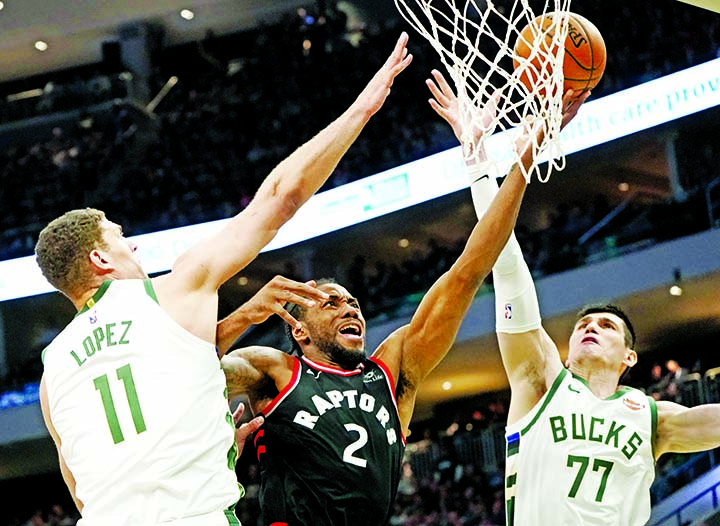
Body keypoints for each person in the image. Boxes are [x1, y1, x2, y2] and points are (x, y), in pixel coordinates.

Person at [35, 33, 413, 526]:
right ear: (100, 260)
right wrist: (361, 110)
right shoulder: (173, 291)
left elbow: (83, 492)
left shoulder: (52, 371)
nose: (135, 246)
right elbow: (281, 196)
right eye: (121, 237)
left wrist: (205, 453)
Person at [217, 81, 587, 526]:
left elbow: (468, 271)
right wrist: (247, 313)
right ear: (298, 330)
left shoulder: (392, 370)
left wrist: (519, 161)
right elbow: (185, 360)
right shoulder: (274, 370)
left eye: (352, 302)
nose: (349, 308)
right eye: (330, 303)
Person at [429, 70, 720, 525]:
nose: (590, 326)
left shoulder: (651, 417)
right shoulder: (541, 380)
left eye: (606, 327)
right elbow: (505, 265)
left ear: (629, 357)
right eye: (586, 323)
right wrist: (478, 160)